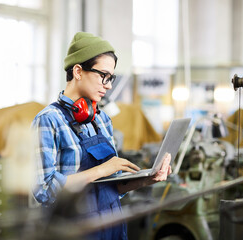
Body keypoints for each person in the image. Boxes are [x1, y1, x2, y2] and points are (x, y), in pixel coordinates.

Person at [32, 32, 172, 240]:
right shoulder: (48, 120)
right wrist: (101, 170)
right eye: (103, 76)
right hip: (74, 230)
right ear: (78, 71)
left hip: (112, 224)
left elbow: (111, 186)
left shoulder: (102, 120)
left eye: (111, 78)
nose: (108, 85)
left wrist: (146, 179)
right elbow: (44, 190)